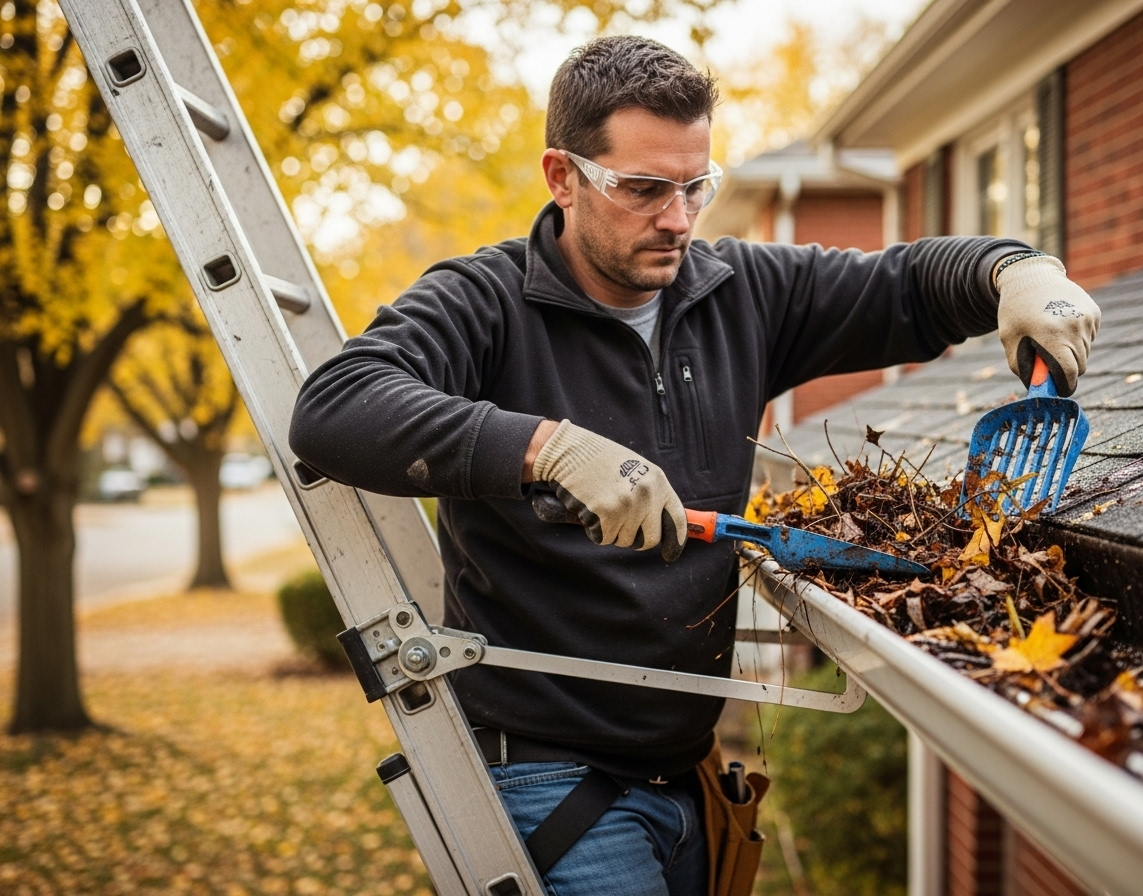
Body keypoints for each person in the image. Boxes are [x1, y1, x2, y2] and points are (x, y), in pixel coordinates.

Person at [289, 35, 1100, 896]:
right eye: (642, 189)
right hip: (553, 786)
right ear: (562, 178)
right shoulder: (485, 302)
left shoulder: (737, 292)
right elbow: (335, 407)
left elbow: (901, 286)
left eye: (694, 187)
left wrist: (1014, 269)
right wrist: (545, 447)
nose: (677, 219)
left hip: (690, 776)